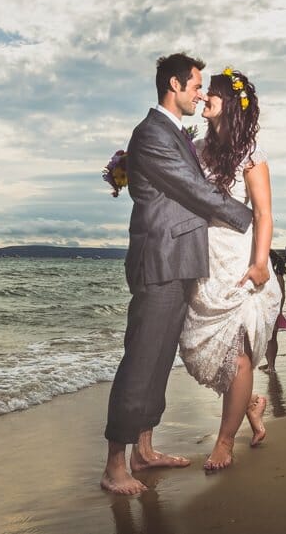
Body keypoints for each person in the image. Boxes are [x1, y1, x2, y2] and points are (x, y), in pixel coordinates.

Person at [102, 54, 255, 495]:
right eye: (195, 86)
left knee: (158, 358)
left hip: (180, 260)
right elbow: (192, 189)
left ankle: (144, 450)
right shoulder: (151, 134)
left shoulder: (174, 133)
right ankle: (114, 466)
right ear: (174, 83)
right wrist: (247, 216)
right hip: (161, 260)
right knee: (141, 359)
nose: (200, 94)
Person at [178, 66, 281, 471]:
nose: (203, 98)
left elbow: (264, 213)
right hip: (206, 261)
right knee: (208, 350)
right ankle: (251, 404)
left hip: (239, 261)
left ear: (230, 103)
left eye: (211, 94)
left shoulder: (251, 153)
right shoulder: (198, 148)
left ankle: (225, 441)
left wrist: (259, 264)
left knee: (238, 353)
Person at [262, 249, 286, 374]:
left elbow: (281, 295)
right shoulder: (274, 275)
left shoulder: (276, 276)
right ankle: (270, 364)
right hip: (270, 310)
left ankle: (271, 366)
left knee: (270, 339)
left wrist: (278, 312)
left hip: (272, 311)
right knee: (269, 339)